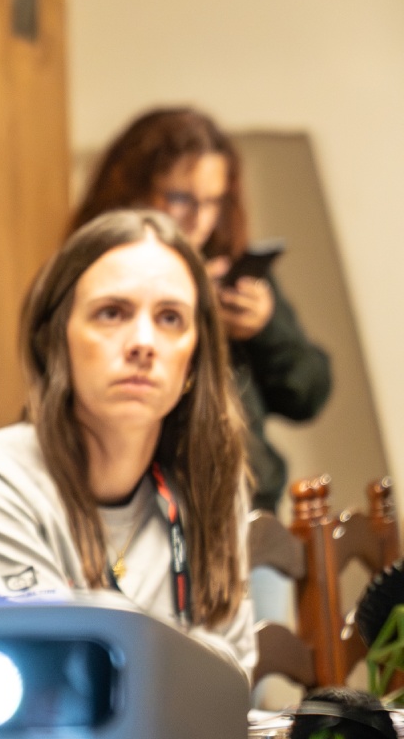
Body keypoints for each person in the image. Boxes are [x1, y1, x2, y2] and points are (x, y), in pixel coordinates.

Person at [0, 209, 255, 674]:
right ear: (55, 340)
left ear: (195, 356)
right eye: (112, 313)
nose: (143, 342)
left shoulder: (211, 481)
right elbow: (58, 684)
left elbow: (232, 680)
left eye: (170, 318)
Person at [74, 107, 329, 512]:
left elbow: (309, 395)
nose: (198, 219)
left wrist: (266, 329)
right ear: (132, 191)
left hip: (251, 503)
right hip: (148, 506)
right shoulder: (96, 277)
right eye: (180, 199)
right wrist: (186, 314)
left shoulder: (232, 271)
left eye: (213, 201)